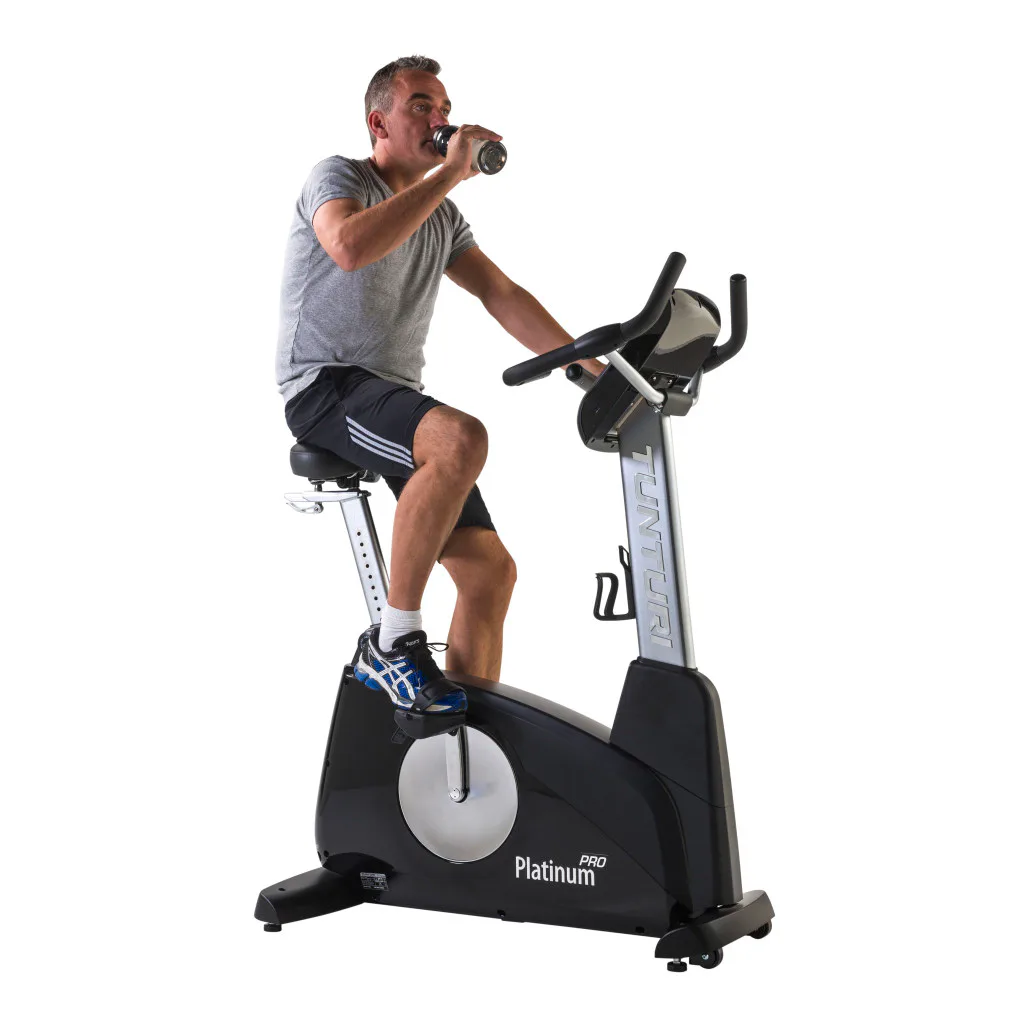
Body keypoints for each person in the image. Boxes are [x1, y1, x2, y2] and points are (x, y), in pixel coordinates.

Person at [276, 55, 604, 723]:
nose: (439, 119)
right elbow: (347, 246)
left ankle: (461, 737)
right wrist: (450, 172)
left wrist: (589, 368)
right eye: (421, 106)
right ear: (379, 123)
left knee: (489, 574)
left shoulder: (441, 218)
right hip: (325, 386)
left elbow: (500, 292)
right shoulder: (339, 177)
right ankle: (392, 644)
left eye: (444, 107)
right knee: (459, 438)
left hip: (390, 395)